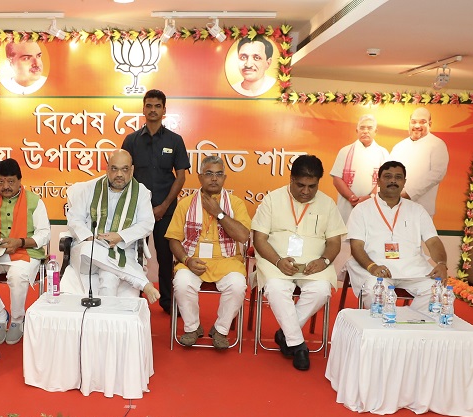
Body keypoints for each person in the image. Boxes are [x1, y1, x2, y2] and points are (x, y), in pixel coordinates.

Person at [252, 155, 346, 371]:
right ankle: (298, 344)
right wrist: (277, 260)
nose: (306, 191)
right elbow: (259, 239)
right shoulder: (272, 200)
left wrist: (324, 260)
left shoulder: (327, 204)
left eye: (312, 186)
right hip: (276, 262)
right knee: (276, 289)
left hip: (314, 266)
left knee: (322, 290)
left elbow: (333, 242)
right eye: (301, 185)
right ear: (291, 179)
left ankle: (286, 334)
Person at [165, 156, 252, 349]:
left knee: (238, 285)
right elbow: (173, 239)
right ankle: (192, 328)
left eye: (219, 174)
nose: (214, 179)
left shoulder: (235, 204)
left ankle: (220, 330)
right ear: (200, 177)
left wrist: (219, 213)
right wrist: (186, 260)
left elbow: (243, 236)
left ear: (225, 178)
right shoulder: (185, 204)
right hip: (192, 260)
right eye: (209, 174)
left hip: (226, 261)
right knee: (181, 282)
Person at [0, 159, 51, 345]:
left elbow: (44, 234)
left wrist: (20, 241)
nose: (6, 187)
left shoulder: (34, 202)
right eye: (1, 182)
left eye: (11, 181)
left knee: (17, 274)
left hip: (25, 252)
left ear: (20, 180)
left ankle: (18, 320)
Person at [121, 89, 190, 314]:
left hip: (166, 209)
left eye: (157, 106)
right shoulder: (131, 141)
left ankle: (168, 302)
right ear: (143, 109)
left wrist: (163, 206)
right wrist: (141, 208)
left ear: (164, 110)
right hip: (136, 211)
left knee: (165, 256)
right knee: (133, 255)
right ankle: (133, 298)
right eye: (149, 106)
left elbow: (180, 176)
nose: (152, 110)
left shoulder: (175, 140)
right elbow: (123, 175)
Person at [346, 161, 448, 312]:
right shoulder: (362, 210)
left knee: (439, 291)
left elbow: (433, 241)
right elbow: (356, 246)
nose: (393, 180)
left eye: (398, 177)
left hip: (412, 268)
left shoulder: (417, 210)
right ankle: (392, 327)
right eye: (388, 176)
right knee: (377, 293)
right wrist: (372, 266)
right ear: (378, 181)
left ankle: (409, 327)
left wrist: (441, 263)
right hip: (375, 268)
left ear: (404, 182)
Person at [62, 150, 160, 302]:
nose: (119, 174)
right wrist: (88, 237)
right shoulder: (89, 188)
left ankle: (103, 323)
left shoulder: (141, 192)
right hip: (89, 252)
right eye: (114, 168)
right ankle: (143, 283)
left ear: (132, 170)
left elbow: (147, 223)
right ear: (107, 169)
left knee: (109, 277)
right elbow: (74, 219)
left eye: (125, 169)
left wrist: (120, 236)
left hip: (121, 249)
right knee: (89, 250)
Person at [330, 115, 391, 222]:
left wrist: (369, 197)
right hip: (348, 207)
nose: (365, 131)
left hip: (374, 205)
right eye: (362, 128)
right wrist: (352, 198)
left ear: (375, 131)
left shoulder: (383, 153)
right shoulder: (345, 151)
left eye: (369, 128)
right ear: (356, 130)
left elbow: (386, 180)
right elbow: (336, 179)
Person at [389, 107, 449, 216]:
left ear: (430, 124)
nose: (417, 126)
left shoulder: (437, 144)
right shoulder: (399, 146)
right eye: (414, 122)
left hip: (422, 209)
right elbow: (388, 172)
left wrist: (408, 193)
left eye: (422, 122)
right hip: (395, 207)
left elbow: (437, 174)